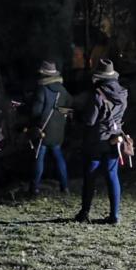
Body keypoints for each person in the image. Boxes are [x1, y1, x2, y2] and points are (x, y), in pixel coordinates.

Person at [75, 59, 128, 225]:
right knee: (112, 176)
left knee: (90, 176)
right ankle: (114, 215)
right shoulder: (123, 93)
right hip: (115, 138)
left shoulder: (98, 94)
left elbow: (90, 121)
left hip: (97, 140)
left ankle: (84, 213)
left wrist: (76, 116)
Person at [28, 61, 73, 195]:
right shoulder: (62, 89)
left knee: (39, 157)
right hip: (58, 130)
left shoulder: (43, 89)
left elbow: (36, 111)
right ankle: (65, 186)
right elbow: (69, 105)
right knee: (59, 157)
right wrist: (61, 117)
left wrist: (33, 124)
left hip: (43, 130)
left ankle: (34, 187)